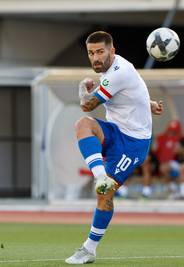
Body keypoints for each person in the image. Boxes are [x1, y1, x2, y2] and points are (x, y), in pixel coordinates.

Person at [65, 31, 164, 264]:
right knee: (83, 126)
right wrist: (148, 104)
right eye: (91, 53)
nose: (95, 58)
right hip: (115, 130)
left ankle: (89, 249)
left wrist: (82, 88)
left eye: (100, 52)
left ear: (112, 50)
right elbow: (134, 89)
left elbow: (88, 105)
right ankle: (100, 177)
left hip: (133, 144)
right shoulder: (115, 72)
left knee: (104, 196)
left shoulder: (119, 71)